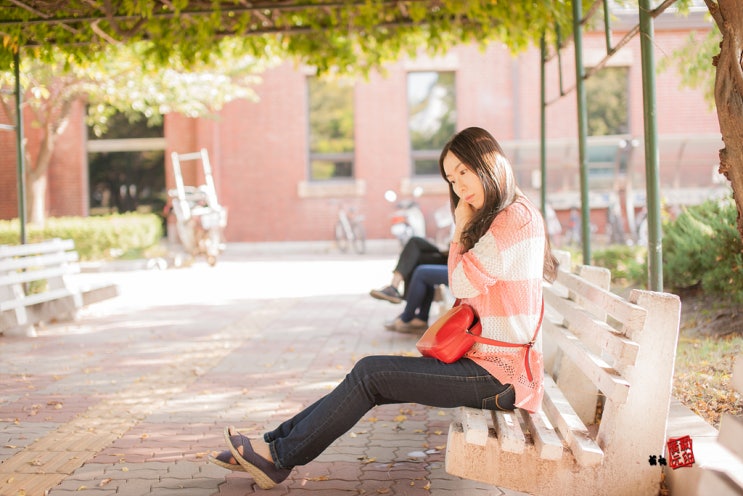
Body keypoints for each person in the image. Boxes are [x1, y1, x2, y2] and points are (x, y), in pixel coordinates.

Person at [208, 126, 559, 489]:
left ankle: (277, 458)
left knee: (371, 374)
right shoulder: (501, 216)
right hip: (481, 365)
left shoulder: (515, 217)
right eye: (451, 179)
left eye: (464, 173)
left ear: (488, 164)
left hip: (502, 378)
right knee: (369, 379)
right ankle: (272, 447)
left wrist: (459, 230)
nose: (458, 187)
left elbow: (461, 282)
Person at [370, 236, 447, 304]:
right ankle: (411, 314)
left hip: (453, 261)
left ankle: (395, 290)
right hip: (448, 255)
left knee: (415, 242)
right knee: (414, 256)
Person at [383, 263, 449, 333]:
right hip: (456, 266)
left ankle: (406, 318)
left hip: (459, 271)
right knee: (419, 263)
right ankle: (420, 318)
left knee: (421, 273)